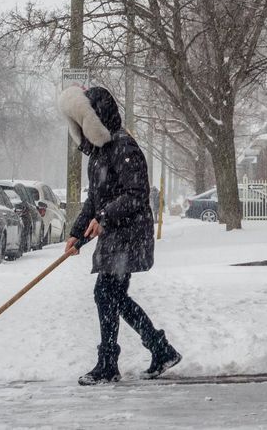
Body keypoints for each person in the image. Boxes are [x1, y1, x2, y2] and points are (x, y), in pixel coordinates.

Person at [60, 85, 182, 385]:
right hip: (116, 233)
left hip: (129, 234)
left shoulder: (124, 147)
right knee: (111, 296)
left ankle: (110, 362)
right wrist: (77, 232)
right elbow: (95, 199)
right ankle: (158, 348)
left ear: (96, 118)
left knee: (106, 294)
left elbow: (137, 194)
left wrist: (104, 218)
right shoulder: (101, 153)